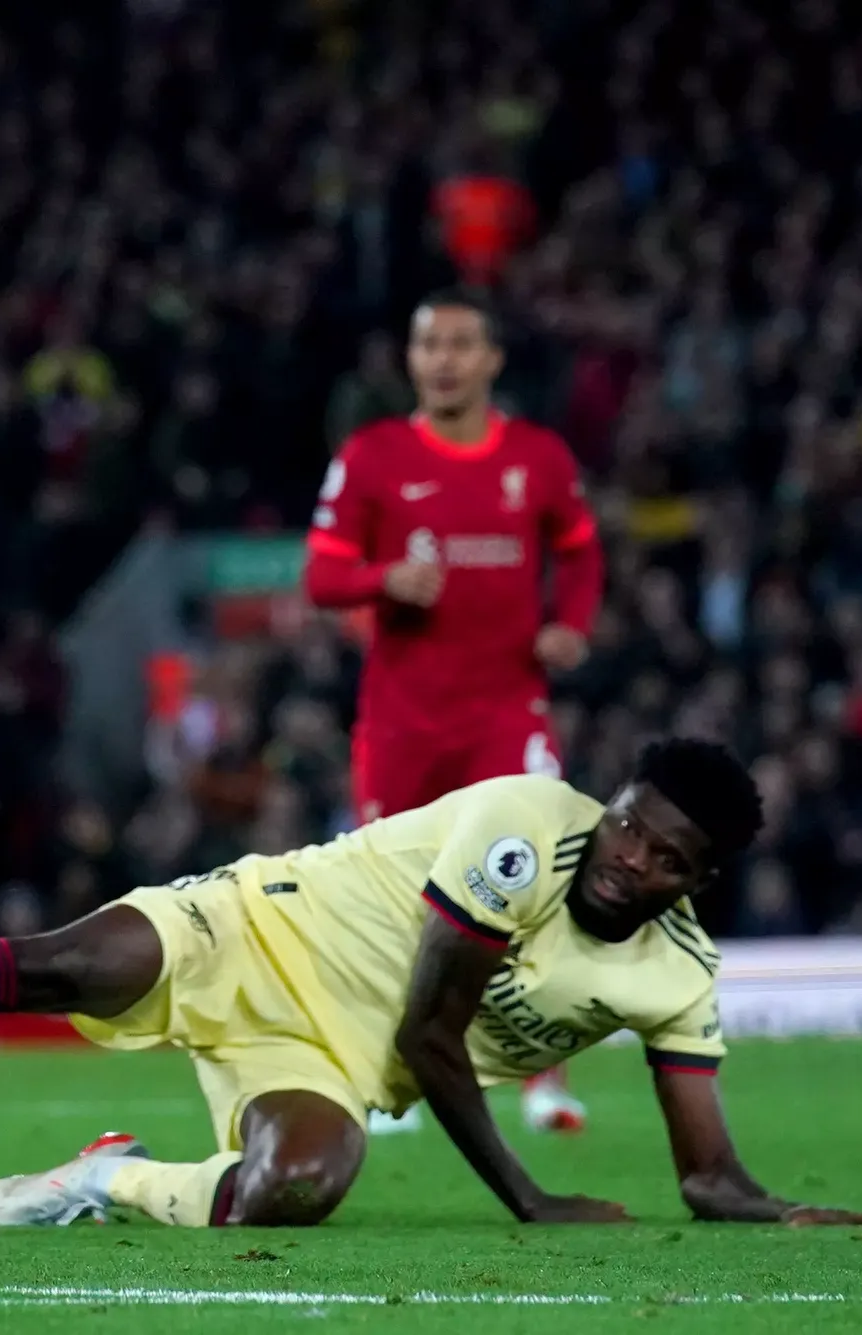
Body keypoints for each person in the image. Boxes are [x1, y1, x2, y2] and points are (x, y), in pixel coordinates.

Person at [0, 741, 862, 1231]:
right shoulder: (523, 825)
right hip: (252, 927)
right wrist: (526, 1198)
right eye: (626, 827)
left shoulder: (677, 979)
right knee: (67, 965)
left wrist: (778, 1214)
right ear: (608, 806)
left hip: (334, 1064)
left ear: (697, 877)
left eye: (664, 858)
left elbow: (704, 1172)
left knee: (288, 1192)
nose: (627, 859)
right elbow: (436, 1030)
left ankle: (99, 1178)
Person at [303, 289, 604, 1136]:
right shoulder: (373, 455)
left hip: (507, 711)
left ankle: (546, 1075)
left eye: (461, 343)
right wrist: (383, 578)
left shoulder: (538, 458)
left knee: (540, 883)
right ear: (410, 357)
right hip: (403, 723)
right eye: (428, 341)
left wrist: (570, 627)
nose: (443, 358)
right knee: (395, 899)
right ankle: (395, 1075)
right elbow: (322, 575)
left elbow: (581, 550)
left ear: (492, 360)